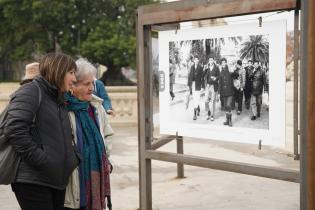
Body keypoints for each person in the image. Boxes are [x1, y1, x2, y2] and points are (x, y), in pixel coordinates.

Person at [3, 53, 79, 210]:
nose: (74, 79)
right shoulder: (30, 91)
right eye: (71, 73)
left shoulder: (57, 97)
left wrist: (73, 158)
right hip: (33, 181)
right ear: (58, 70)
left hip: (55, 178)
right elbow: (14, 129)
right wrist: (43, 161)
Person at [64, 59, 114, 210]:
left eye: (93, 83)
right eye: (86, 84)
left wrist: (104, 156)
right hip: (74, 179)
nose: (92, 88)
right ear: (73, 85)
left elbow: (108, 134)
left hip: (97, 173)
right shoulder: (64, 110)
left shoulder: (96, 108)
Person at [219, 58, 234, 126]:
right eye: (222, 63)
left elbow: (236, 75)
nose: (223, 64)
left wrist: (233, 71)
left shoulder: (230, 70)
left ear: (226, 63)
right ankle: (227, 120)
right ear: (221, 64)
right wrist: (220, 93)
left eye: (224, 62)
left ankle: (230, 121)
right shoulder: (221, 72)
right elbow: (220, 83)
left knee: (228, 105)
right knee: (225, 107)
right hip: (224, 92)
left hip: (230, 91)